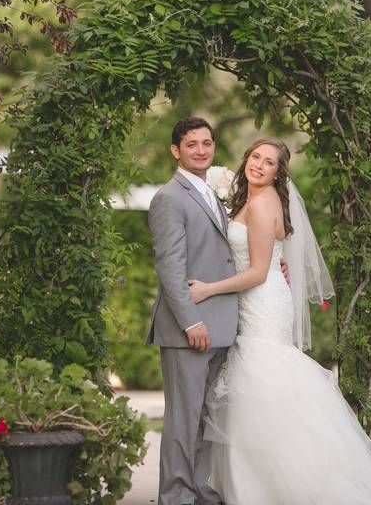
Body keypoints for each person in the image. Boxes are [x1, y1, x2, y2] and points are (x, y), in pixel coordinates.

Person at [187, 137, 371, 505]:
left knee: (262, 385)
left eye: (269, 162)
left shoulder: (263, 204)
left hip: (261, 303)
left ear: (278, 173)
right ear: (246, 158)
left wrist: (208, 289)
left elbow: (258, 272)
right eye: (255, 157)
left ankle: (277, 490)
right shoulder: (247, 198)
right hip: (256, 300)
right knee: (256, 390)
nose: (259, 165)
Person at [146, 116, 238, 505]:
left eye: (206, 143)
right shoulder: (169, 197)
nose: (201, 150)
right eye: (191, 144)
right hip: (191, 329)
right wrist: (192, 322)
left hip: (220, 324)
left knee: (204, 418)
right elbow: (170, 268)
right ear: (176, 150)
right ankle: (176, 496)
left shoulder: (213, 192)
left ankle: (200, 491)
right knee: (183, 420)